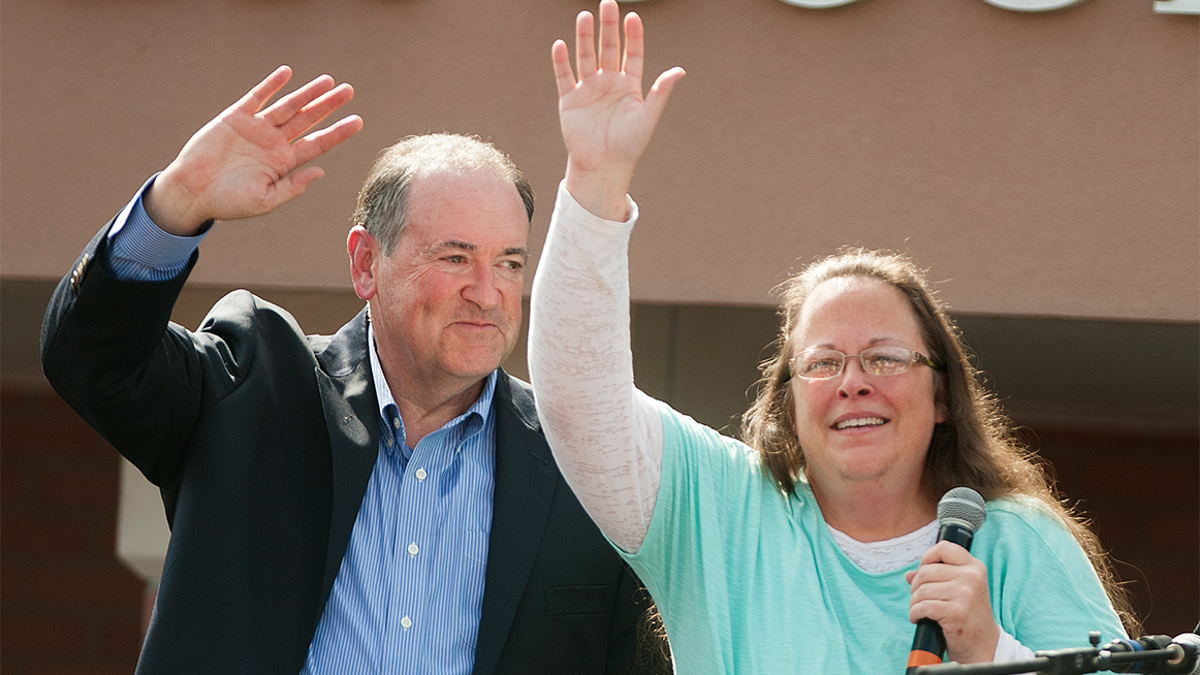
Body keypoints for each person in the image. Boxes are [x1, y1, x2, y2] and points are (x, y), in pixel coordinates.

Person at [528, 2, 1136, 673]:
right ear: (787, 402)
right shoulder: (719, 511)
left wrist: (995, 650)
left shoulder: (1021, 543)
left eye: (883, 355)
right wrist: (596, 182)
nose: (854, 380)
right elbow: (579, 399)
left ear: (942, 394)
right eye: (822, 362)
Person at [41, 65, 660, 675]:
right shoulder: (255, 386)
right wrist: (175, 203)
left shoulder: (576, 464)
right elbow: (92, 358)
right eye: (455, 256)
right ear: (367, 263)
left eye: (509, 264)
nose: (487, 292)